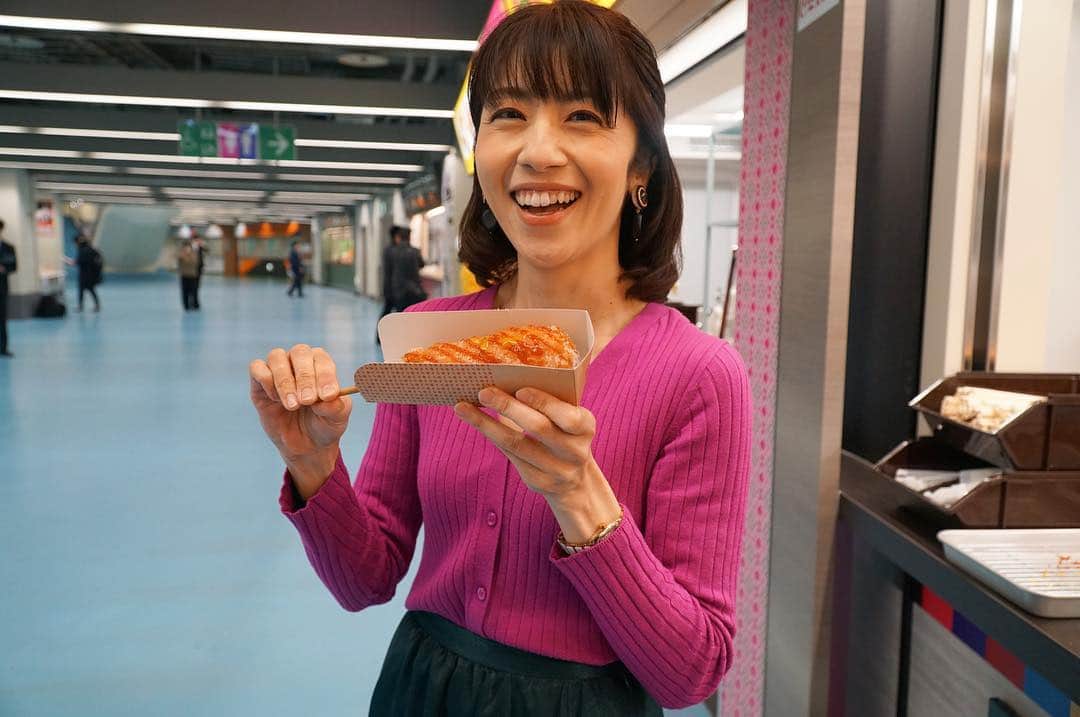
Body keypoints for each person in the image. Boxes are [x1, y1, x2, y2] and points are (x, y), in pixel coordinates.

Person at [249, 3, 751, 714]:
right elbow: (366, 579)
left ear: (641, 164)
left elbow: (690, 674)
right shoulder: (427, 338)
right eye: (509, 114)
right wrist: (313, 464)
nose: (538, 152)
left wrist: (578, 495)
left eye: (583, 116)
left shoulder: (698, 376)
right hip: (420, 688)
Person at [66, 234, 102, 313]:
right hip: (92, 274)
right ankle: (96, 305)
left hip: (85, 275)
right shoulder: (91, 249)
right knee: (90, 290)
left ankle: (81, 306)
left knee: (83, 290)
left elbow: (76, 262)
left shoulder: (82, 251)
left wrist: (66, 261)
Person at [0, 219, 15, 357]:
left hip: (2, 289)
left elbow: (13, 266)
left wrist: (4, 269)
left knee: (2, 320)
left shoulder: (8, 248)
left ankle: (3, 348)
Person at [177, 239, 200, 311]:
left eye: (188, 246)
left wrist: (188, 256)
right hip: (184, 275)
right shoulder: (181, 253)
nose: (187, 248)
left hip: (192, 275)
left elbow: (194, 262)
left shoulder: (194, 253)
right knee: (185, 291)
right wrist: (185, 255)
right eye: (185, 246)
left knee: (193, 291)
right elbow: (180, 258)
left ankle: (194, 305)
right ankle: (186, 306)